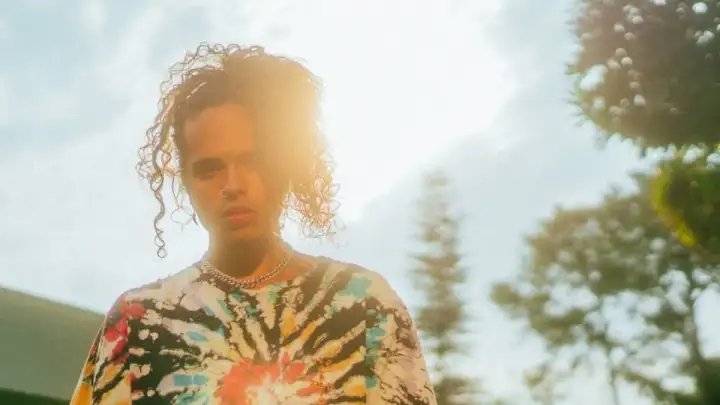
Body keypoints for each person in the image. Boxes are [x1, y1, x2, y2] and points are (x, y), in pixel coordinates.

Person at [69, 43, 436, 405]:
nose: (233, 185)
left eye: (253, 161)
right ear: (185, 182)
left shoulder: (363, 305)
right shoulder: (138, 322)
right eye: (210, 169)